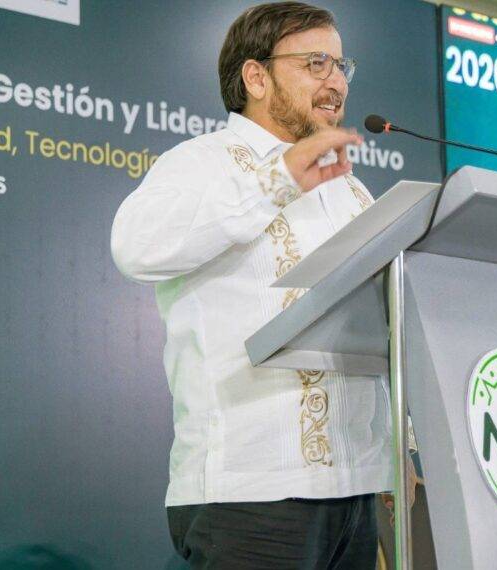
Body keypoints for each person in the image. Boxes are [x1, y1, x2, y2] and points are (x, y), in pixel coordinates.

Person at [111, 3, 405, 567]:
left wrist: (398, 453)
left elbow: (379, 328)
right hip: (250, 493)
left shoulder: (352, 191)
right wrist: (278, 181)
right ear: (256, 76)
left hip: (358, 492)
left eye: (342, 65)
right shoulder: (201, 162)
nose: (337, 81)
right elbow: (134, 246)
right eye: (317, 63)